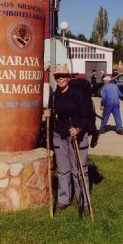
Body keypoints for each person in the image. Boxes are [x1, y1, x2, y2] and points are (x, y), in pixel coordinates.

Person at [43, 65, 91, 213]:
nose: (60, 79)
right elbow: (52, 113)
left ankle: (83, 201)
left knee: (79, 170)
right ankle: (64, 199)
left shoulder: (77, 94)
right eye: (57, 76)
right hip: (60, 135)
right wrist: (48, 114)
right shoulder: (54, 95)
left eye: (63, 76)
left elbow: (86, 116)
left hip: (76, 135)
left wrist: (78, 129)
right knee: (63, 170)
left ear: (68, 78)